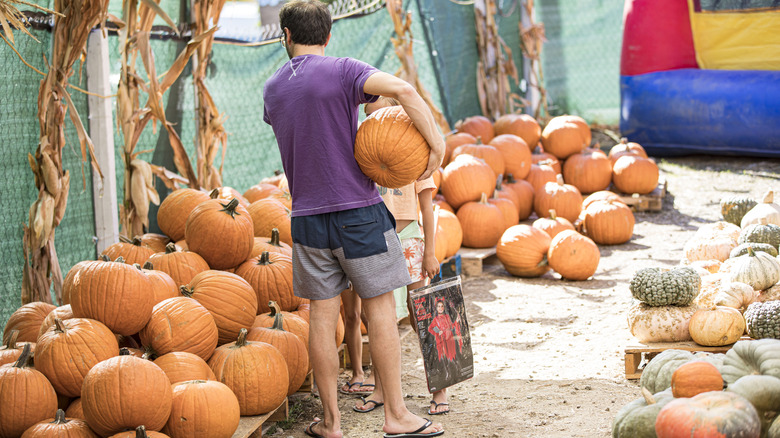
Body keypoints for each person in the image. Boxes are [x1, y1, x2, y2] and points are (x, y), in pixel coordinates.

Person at [262, 1, 446, 437]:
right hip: (360, 214)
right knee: (381, 310)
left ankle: (330, 423)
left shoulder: (272, 88)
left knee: (323, 321)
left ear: (284, 35)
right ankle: (397, 416)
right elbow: (402, 89)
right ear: (328, 35)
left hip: (305, 219)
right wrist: (435, 146)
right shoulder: (344, 70)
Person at [347, 97, 450, 417]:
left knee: (423, 312)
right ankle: (380, 388)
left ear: (396, 107)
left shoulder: (416, 149)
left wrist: (430, 251)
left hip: (408, 239)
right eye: (366, 117)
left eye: (377, 111)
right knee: (378, 318)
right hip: (374, 238)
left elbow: (427, 208)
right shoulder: (363, 151)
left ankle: (440, 389)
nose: (372, 121)